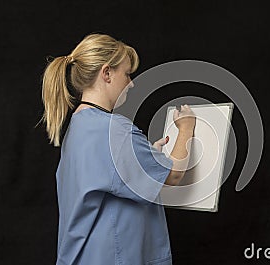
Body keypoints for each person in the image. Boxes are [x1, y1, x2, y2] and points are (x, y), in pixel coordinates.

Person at [40, 33, 196, 265]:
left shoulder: (79, 126)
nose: (131, 83)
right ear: (106, 73)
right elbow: (173, 175)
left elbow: (110, 175)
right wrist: (186, 128)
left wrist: (147, 157)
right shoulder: (114, 130)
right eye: (127, 73)